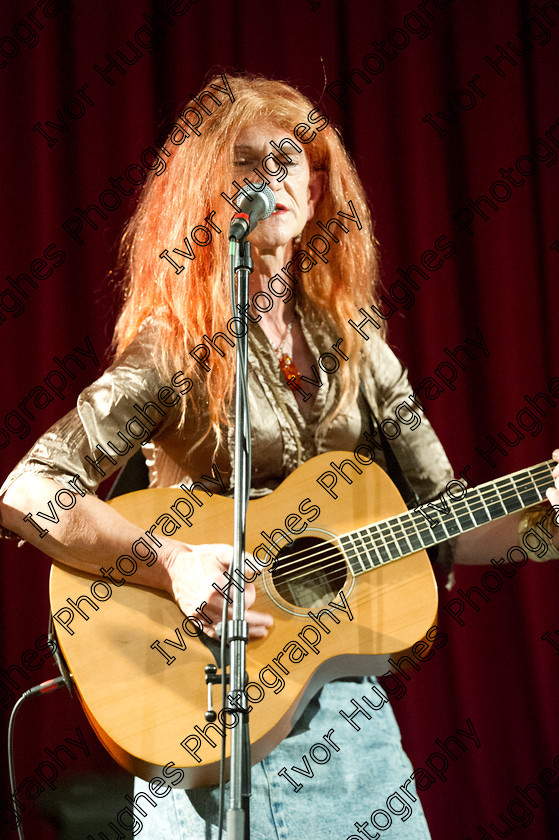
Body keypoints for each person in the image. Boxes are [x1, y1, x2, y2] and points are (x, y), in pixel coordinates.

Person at [1, 74, 558, 840]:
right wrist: (174, 563)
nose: (275, 176)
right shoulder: (175, 348)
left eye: (293, 159)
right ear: (207, 188)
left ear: (318, 186)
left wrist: (541, 523)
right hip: (200, 708)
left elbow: (447, 520)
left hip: (349, 731)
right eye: (247, 161)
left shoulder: (358, 349)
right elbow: (31, 488)